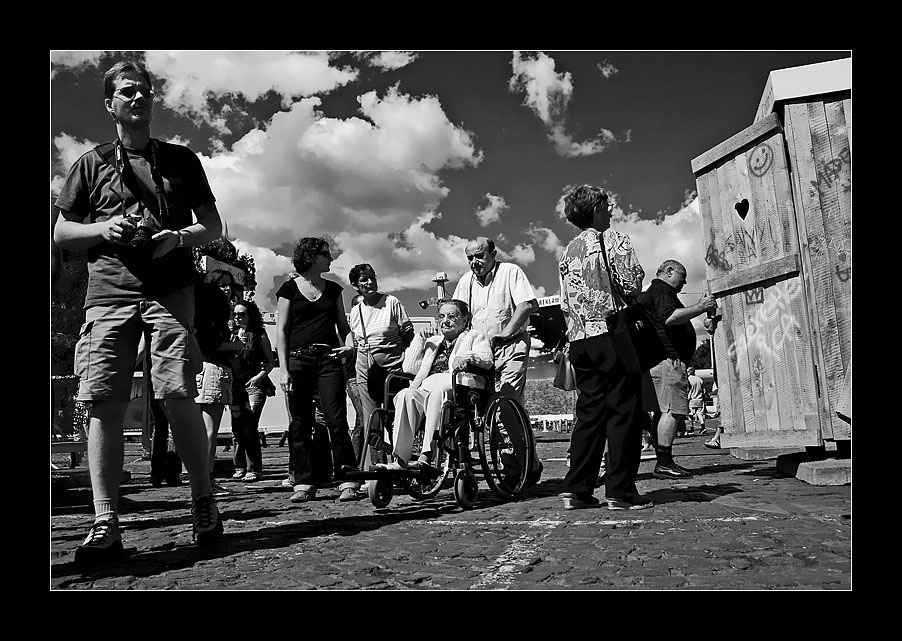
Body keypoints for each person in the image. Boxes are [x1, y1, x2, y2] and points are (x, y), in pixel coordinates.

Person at [53, 60, 225, 562]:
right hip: (108, 291)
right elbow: (62, 233)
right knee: (102, 399)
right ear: (110, 103)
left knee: (175, 393)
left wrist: (176, 236)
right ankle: (105, 520)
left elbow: (212, 226)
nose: (138, 97)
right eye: (127, 92)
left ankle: (203, 502)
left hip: (170, 290)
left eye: (145, 90)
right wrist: (106, 230)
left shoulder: (182, 160)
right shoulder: (91, 163)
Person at [556, 184, 652, 511]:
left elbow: (566, 301)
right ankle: (620, 490)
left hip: (580, 341)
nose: (612, 210)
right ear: (596, 208)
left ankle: (578, 489)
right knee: (623, 413)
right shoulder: (616, 240)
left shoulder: (567, 251)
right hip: (613, 335)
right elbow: (631, 283)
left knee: (588, 415)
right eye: (608, 205)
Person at [275, 237, 360, 503]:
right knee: (300, 423)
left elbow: (343, 327)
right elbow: (282, 330)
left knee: (336, 419)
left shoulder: (334, 290)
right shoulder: (289, 289)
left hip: (328, 360)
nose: (331, 258)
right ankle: (303, 482)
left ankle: (347, 479)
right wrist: (284, 370)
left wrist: (350, 345)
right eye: (326, 253)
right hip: (298, 360)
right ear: (311, 256)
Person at [380, 299, 493, 470]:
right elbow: (409, 368)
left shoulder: (475, 336)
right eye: (441, 316)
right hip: (427, 387)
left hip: (458, 388)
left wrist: (466, 357)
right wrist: (420, 340)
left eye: (452, 316)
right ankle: (401, 460)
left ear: (465, 319)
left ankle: (426, 456)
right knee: (406, 394)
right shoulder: (433, 342)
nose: (445, 320)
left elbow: (486, 359)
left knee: (438, 394)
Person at [639, 260, 717, 480]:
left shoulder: (654, 291)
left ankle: (663, 461)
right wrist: (701, 308)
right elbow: (670, 317)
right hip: (667, 360)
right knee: (671, 411)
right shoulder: (662, 290)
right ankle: (664, 463)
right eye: (682, 279)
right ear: (669, 271)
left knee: (662, 412)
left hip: (658, 361)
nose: (683, 284)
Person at [451, 237, 538, 404]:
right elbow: (457, 313)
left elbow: (527, 305)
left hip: (511, 345)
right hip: (480, 351)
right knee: (481, 403)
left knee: (507, 400)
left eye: (479, 256)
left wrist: (502, 335)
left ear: (493, 254)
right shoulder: (465, 281)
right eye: (470, 258)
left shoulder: (510, 271)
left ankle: (512, 426)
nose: (474, 262)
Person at [346, 264, 414, 467]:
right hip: (365, 366)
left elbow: (408, 334)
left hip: (394, 368)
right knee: (371, 420)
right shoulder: (356, 310)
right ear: (355, 286)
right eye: (363, 280)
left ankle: (402, 462)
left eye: (372, 277)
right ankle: (374, 467)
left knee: (396, 418)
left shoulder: (391, 302)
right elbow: (355, 340)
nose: (369, 282)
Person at [194, 269, 242, 496]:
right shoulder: (212, 310)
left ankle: (202, 478)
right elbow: (210, 344)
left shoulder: (205, 308)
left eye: (229, 285)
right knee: (209, 430)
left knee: (203, 429)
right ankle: (205, 480)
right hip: (212, 368)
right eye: (222, 284)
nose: (226, 289)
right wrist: (236, 346)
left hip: (207, 368)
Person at [229, 299, 275, 482]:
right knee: (237, 428)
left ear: (250, 315)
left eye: (242, 314)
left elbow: (270, 362)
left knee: (250, 425)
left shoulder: (259, 335)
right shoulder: (231, 334)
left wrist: (258, 378)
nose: (238, 317)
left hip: (254, 385)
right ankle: (239, 466)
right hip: (235, 386)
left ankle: (254, 468)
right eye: (236, 314)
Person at [686, 366, 707, 435]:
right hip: (699, 398)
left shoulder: (688, 379)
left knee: (690, 414)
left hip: (692, 399)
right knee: (699, 413)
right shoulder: (699, 379)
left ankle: (692, 429)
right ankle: (703, 426)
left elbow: (688, 390)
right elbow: (703, 391)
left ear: (689, 372)